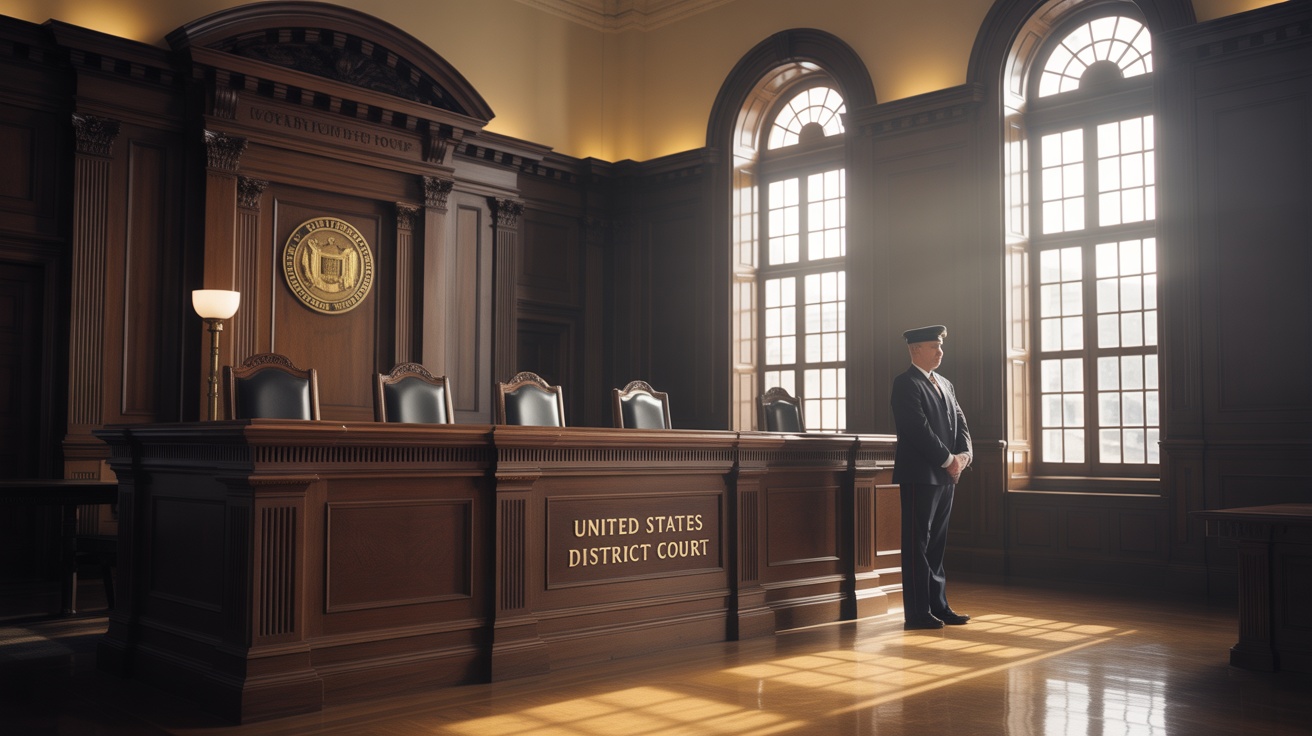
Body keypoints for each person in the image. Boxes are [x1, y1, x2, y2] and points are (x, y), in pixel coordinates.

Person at [890, 325, 973, 630]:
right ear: (915, 350)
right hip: (920, 475)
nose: (940, 352)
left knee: (936, 545)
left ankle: (939, 606)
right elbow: (917, 429)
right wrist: (949, 460)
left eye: (940, 346)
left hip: (947, 475)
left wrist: (964, 456)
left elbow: (961, 423)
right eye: (933, 346)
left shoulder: (945, 384)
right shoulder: (905, 383)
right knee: (917, 546)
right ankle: (917, 613)